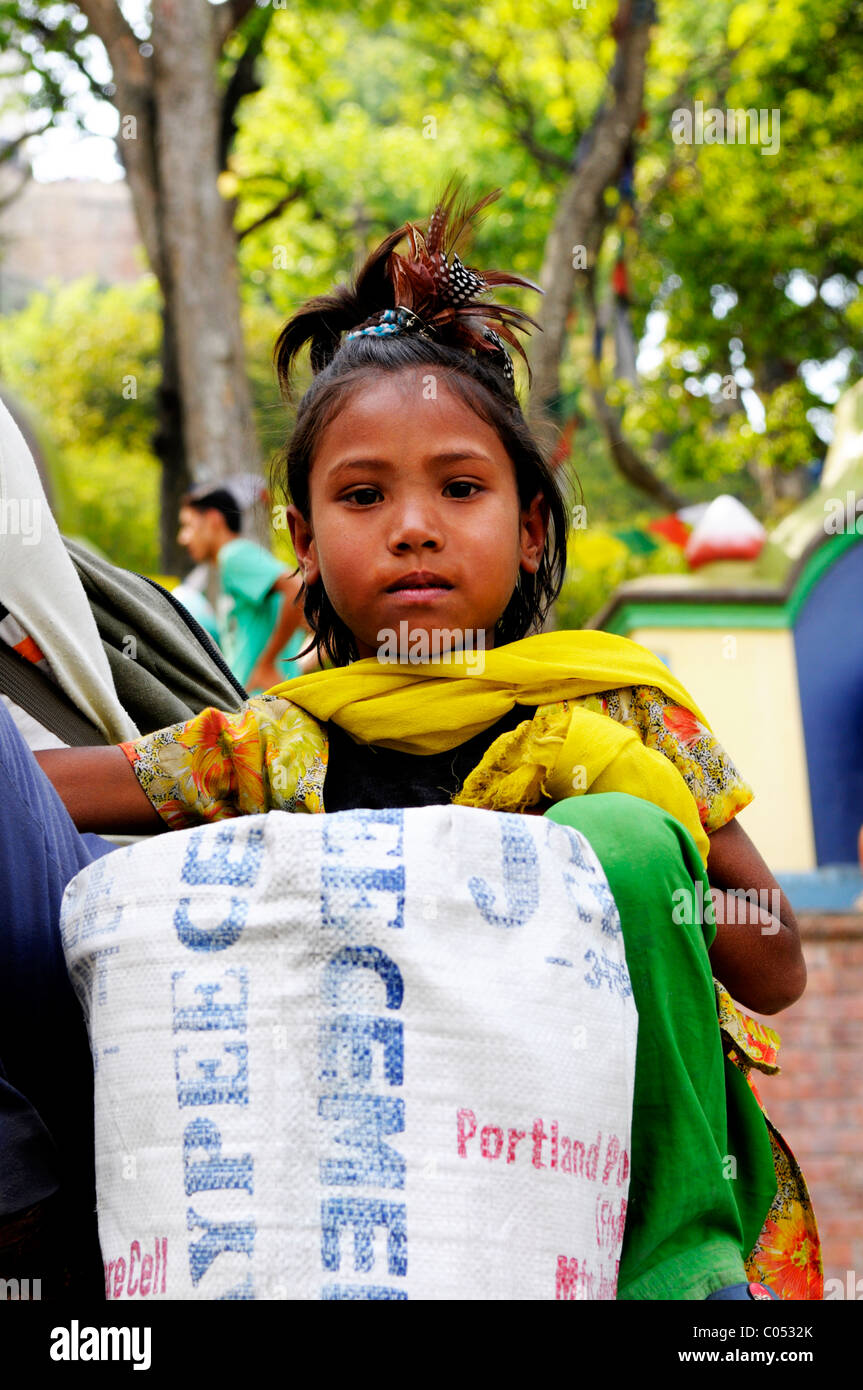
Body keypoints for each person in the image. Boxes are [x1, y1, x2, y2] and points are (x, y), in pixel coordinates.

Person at [28, 184, 816, 1299]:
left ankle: (684, 1260)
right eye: (361, 496)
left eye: (459, 487)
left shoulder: (623, 709)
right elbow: (46, 790)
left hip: (628, 1214)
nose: (411, 525)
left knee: (616, 827)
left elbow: (776, 964)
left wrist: (633, 806)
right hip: (402, 1221)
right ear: (302, 541)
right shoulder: (283, 748)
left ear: (530, 523)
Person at [177, 483, 310, 693]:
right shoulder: (234, 565)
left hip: (259, 706)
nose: (182, 538)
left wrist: (267, 663)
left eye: (188, 525)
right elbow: (312, 622)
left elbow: (295, 588)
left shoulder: (233, 554)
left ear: (213, 520)